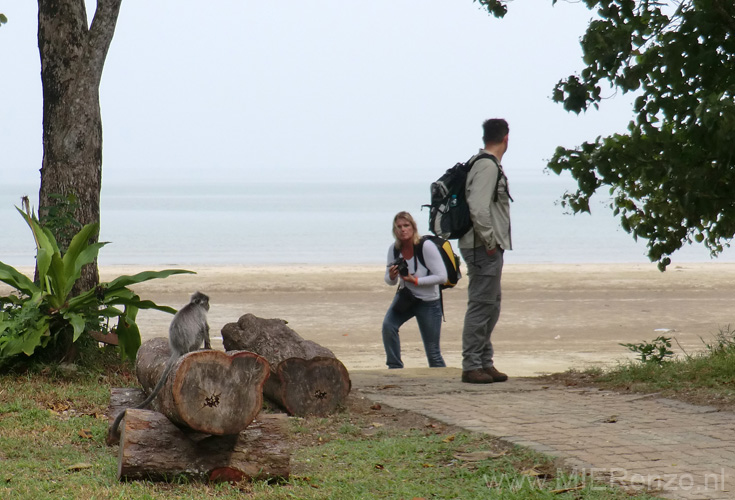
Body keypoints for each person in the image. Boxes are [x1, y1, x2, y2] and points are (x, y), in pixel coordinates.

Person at [458, 118, 512, 384]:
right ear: (506, 138)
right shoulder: (487, 167)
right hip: (482, 247)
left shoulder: (485, 164)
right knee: (481, 306)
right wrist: (490, 242)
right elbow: (478, 208)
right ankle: (471, 365)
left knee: (491, 306)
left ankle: (484, 362)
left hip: (484, 246)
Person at [382, 211, 447, 369]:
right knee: (388, 326)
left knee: (432, 351)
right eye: (398, 227)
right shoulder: (394, 249)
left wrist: (416, 280)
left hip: (429, 302)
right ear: (394, 230)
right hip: (406, 298)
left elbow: (442, 277)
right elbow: (390, 281)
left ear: (413, 227)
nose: (402, 230)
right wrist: (391, 276)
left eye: (406, 225)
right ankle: (394, 368)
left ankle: (442, 380)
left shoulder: (426, 247)